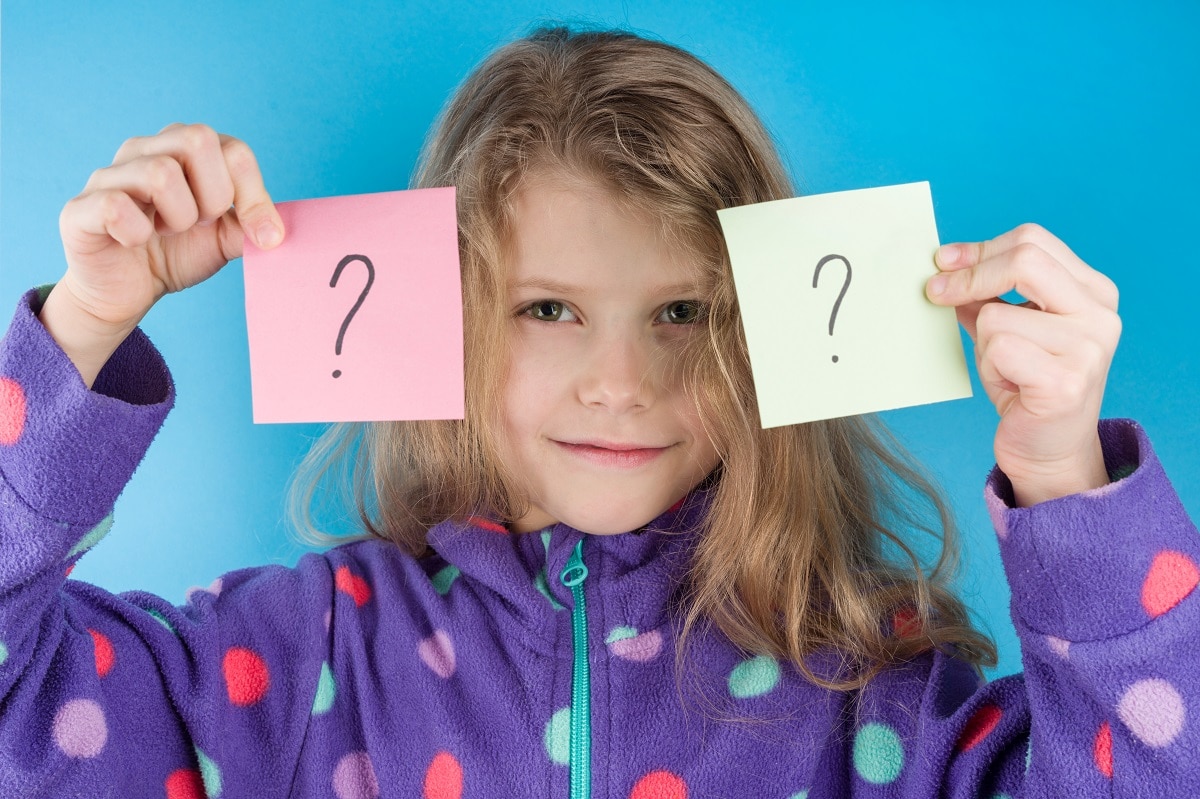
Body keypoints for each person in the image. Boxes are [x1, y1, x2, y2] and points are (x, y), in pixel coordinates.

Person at [0, 25, 1196, 799]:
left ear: (761, 332)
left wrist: (1066, 477)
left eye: (681, 312)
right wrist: (85, 329)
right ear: (448, 316)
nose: (620, 380)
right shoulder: (297, 659)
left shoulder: (871, 694)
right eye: (549, 311)